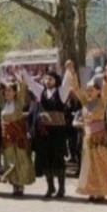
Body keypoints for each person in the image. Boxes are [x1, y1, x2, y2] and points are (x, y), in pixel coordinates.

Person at [67, 62, 107, 201]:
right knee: (89, 166)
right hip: (87, 139)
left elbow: (106, 88)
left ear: (98, 92)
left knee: (100, 164)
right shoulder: (85, 102)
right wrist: (72, 72)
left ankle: (101, 191)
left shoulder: (102, 102)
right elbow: (76, 89)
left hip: (99, 138)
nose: (88, 93)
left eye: (91, 90)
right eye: (87, 90)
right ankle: (91, 190)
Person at [25, 69, 73, 199]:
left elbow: (67, 81)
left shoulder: (61, 92)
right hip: (44, 132)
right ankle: (50, 187)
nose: (47, 81)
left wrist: (69, 69)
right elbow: (30, 83)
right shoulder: (41, 92)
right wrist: (22, 72)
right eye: (46, 79)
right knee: (45, 159)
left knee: (58, 159)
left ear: (55, 80)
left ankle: (61, 188)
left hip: (58, 132)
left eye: (50, 79)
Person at [0, 71, 35, 196]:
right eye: (6, 91)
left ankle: (20, 185)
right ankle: (14, 185)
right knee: (9, 160)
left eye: (9, 91)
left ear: (14, 92)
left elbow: (22, 88)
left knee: (20, 160)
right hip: (7, 138)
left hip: (19, 137)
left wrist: (20, 77)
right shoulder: (3, 104)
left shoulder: (19, 103)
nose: (7, 93)